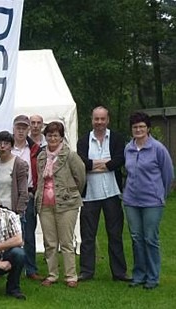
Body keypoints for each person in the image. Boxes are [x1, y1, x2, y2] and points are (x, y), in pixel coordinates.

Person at [77, 107, 130, 282]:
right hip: (90, 195)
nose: (99, 122)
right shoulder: (84, 141)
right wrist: (103, 163)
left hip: (112, 194)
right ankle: (86, 272)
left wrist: (97, 165)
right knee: (87, 236)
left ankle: (119, 272)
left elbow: (118, 161)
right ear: (91, 120)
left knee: (115, 234)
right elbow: (83, 164)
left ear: (108, 120)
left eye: (102, 119)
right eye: (96, 119)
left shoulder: (117, 138)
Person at [123, 111, 173, 290]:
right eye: (135, 127)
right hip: (131, 201)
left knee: (150, 238)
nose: (138, 129)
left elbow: (168, 174)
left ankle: (153, 277)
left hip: (152, 201)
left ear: (148, 128)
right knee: (136, 239)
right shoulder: (128, 148)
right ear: (131, 129)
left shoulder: (158, 148)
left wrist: (160, 194)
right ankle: (139, 275)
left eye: (142, 126)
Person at [35, 121, 86, 288]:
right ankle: (52, 274)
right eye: (49, 135)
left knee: (66, 241)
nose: (52, 138)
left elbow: (80, 177)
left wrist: (69, 192)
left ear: (61, 137)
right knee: (50, 242)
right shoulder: (41, 156)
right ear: (45, 137)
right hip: (45, 204)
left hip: (67, 204)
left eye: (56, 135)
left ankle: (71, 276)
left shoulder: (70, 155)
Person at [12, 115, 43, 280]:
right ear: (13, 129)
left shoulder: (35, 150)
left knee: (29, 233)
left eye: (24, 128)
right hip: (9, 195)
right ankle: (6, 267)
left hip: (29, 194)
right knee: (8, 233)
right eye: (18, 128)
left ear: (28, 130)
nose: (21, 131)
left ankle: (31, 269)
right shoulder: (6, 147)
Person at [0, 131, 29, 216]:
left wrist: (18, 212)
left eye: (6, 143)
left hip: (12, 212)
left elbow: (23, 192)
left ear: (11, 147)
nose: (2, 146)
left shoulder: (19, 164)